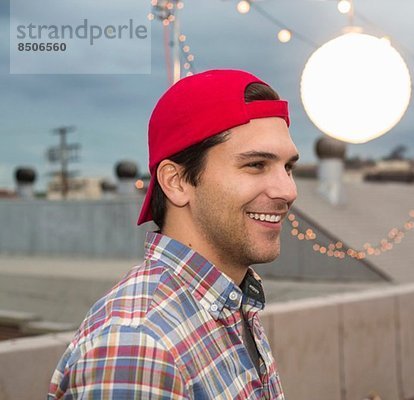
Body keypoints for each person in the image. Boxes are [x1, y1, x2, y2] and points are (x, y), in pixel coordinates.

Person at [48, 69, 299, 399]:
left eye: (288, 167)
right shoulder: (140, 346)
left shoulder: (228, 302)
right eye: (255, 165)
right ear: (176, 182)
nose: (288, 190)